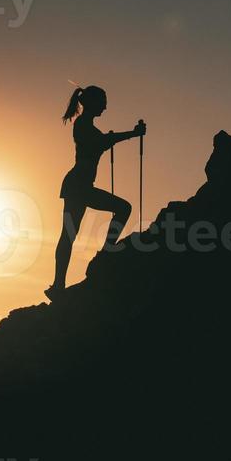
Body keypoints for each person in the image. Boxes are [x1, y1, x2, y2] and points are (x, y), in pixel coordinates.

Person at [45, 85, 145, 302]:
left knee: (69, 234)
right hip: (78, 186)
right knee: (119, 209)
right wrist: (133, 134)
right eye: (103, 101)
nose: (106, 106)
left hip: (79, 186)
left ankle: (59, 285)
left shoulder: (85, 126)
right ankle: (104, 253)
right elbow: (100, 142)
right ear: (91, 103)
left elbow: (101, 142)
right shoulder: (82, 125)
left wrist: (120, 136)